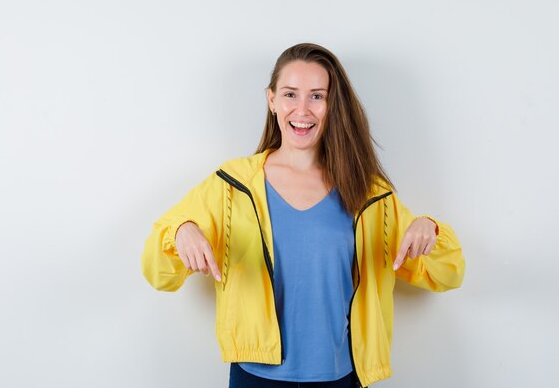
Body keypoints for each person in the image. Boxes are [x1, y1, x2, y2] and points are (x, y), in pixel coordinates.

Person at [141, 43, 465, 388]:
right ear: (272, 101)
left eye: (317, 96)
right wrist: (181, 230)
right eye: (290, 94)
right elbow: (158, 272)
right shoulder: (231, 185)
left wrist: (428, 229)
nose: (302, 109)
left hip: (342, 378)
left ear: (332, 104)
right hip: (255, 378)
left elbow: (447, 275)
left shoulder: (370, 193)